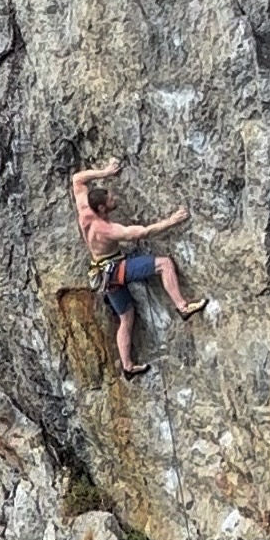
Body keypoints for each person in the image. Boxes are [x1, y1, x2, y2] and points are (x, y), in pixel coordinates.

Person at [72, 156, 207, 380]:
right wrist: (172, 221)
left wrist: (105, 172)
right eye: (111, 199)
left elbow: (78, 180)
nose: (114, 199)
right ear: (103, 208)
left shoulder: (85, 211)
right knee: (164, 264)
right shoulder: (107, 229)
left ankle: (127, 366)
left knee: (127, 317)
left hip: (102, 273)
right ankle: (182, 306)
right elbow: (142, 233)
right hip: (115, 269)